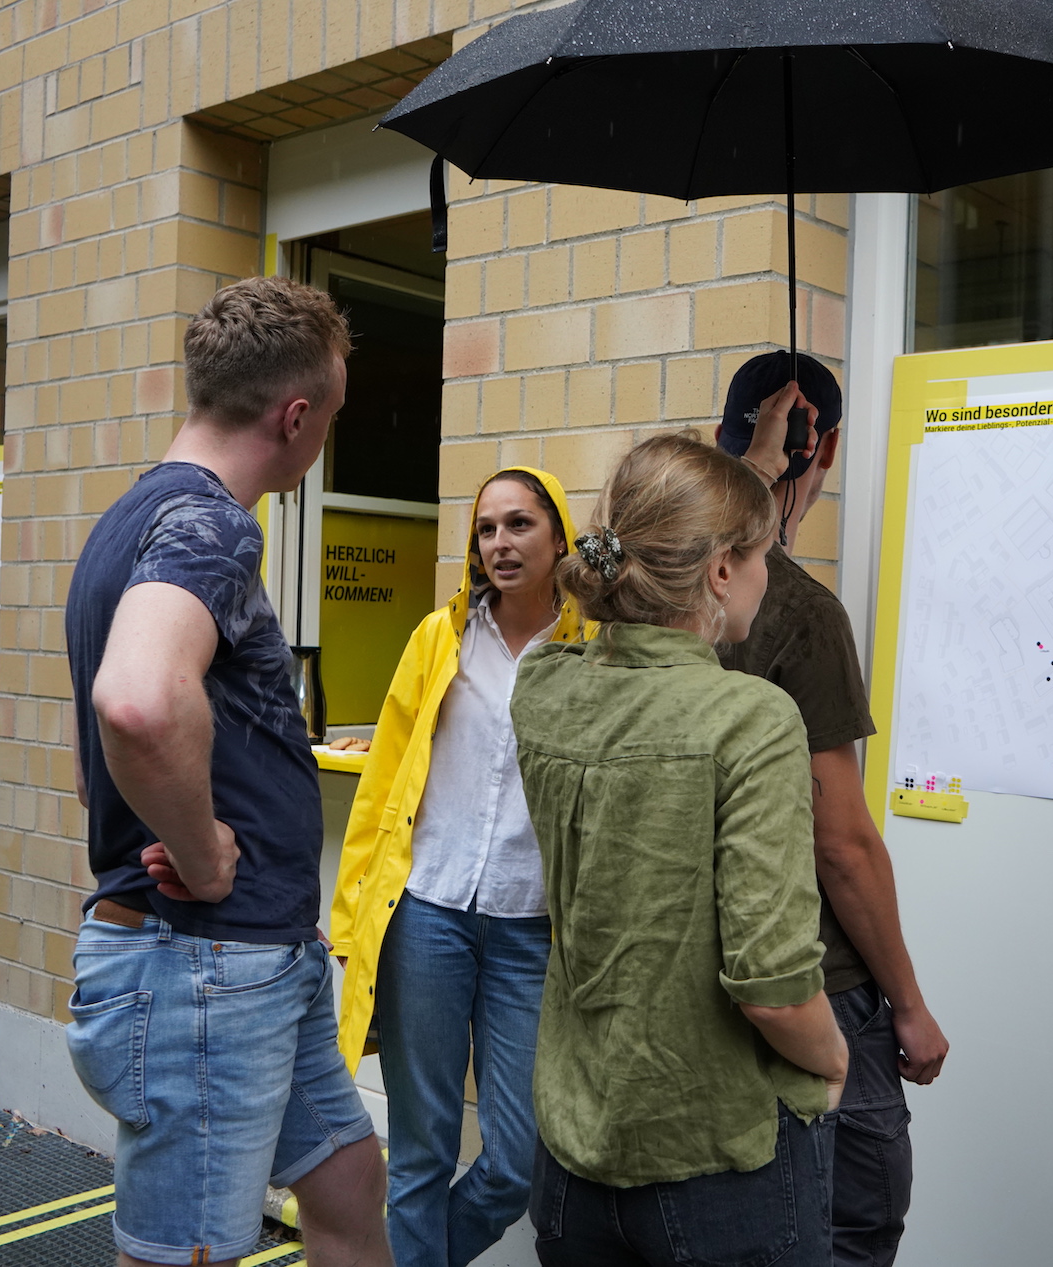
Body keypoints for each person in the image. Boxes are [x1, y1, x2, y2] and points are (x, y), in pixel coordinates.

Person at [63, 276, 392, 1267]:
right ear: (296, 418)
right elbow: (136, 700)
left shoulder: (131, 521)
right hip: (204, 961)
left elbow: (102, 761)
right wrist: (205, 855)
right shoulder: (210, 524)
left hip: (249, 961)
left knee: (346, 1177)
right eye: (330, 416)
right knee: (182, 1254)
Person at [510, 430, 850, 1267]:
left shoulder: (542, 683)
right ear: (721, 571)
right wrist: (835, 1060)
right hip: (716, 1161)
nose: (770, 578)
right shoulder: (750, 718)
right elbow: (771, 987)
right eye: (764, 554)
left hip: (574, 1150)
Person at [715, 351, 950, 1267]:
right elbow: (842, 842)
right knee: (851, 1222)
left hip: (696, 968)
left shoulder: (634, 602)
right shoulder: (800, 613)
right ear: (830, 446)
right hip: (817, 982)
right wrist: (911, 1003)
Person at [329, 467, 589, 1267]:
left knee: (515, 1162)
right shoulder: (439, 639)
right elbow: (386, 784)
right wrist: (349, 916)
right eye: (486, 529)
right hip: (429, 915)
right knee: (419, 1155)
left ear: (558, 535)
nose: (501, 544)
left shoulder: (591, 652)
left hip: (529, 930)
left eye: (519, 525)